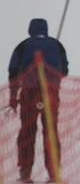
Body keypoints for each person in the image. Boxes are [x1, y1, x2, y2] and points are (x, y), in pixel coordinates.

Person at [8, 18, 68, 183]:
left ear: (30, 29)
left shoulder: (23, 46)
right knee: (50, 131)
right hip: (51, 93)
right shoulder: (57, 45)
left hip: (29, 93)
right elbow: (64, 70)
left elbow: (13, 71)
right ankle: (54, 172)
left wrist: (13, 96)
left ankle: (25, 173)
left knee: (27, 131)